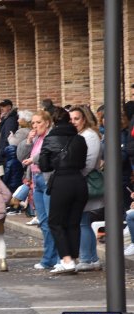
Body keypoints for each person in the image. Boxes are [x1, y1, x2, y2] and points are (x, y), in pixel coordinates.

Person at [39, 107, 88, 274]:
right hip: (79, 181)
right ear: (68, 120)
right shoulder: (80, 139)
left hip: (62, 181)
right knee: (74, 222)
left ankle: (66, 259)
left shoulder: (50, 139)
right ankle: (73, 258)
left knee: (55, 222)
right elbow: (82, 164)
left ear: (53, 122)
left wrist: (55, 162)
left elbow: (44, 165)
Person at [17, 110, 59, 269]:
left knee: (51, 219)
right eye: (33, 123)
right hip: (35, 179)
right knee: (43, 221)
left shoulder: (50, 137)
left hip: (46, 178)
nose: (35, 126)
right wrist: (28, 141)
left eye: (38, 122)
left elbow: (47, 155)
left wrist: (33, 159)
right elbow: (21, 157)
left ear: (47, 123)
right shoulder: (35, 139)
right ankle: (48, 258)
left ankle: (54, 258)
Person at [68, 105, 103, 272]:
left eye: (77, 119)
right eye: (71, 119)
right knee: (82, 221)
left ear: (85, 119)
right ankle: (91, 258)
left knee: (82, 221)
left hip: (86, 181)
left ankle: (88, 258)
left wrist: (75, 177)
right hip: (80, 179)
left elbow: (89, 162)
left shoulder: (90, 135)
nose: (74, 122)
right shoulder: (81, 135)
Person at [0, 99, 19, 172]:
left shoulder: (11, 120)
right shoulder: (6, 119)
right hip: (3, 156)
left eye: (3, 106)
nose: (1, 108)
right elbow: (2, 133)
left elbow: (8, 138)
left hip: (5, 157)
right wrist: (0, 123)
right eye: (0, 107)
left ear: (9, 107)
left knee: (4, 179)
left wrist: (2, 154)